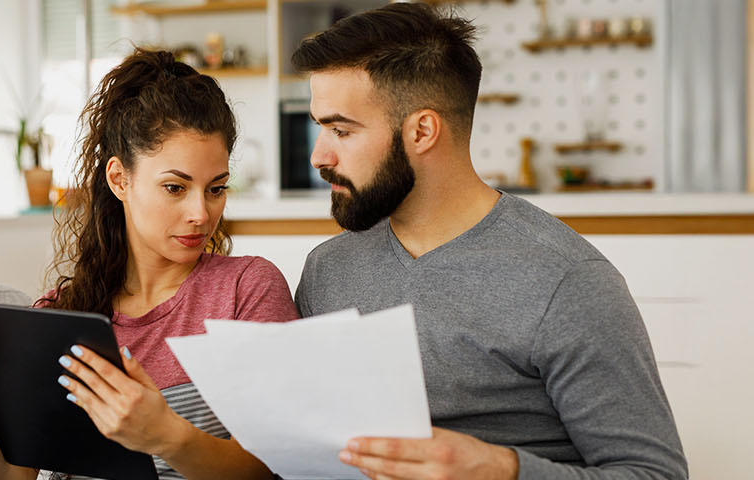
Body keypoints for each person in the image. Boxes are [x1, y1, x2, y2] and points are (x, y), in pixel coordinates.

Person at [289, 4, 689, 479]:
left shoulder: (566, 281)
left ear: (421, 131)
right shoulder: (328, 268)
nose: (319, 156)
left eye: (341, 130)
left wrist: (501, 469)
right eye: (320, 128)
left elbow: (655, 473)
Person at [0, 49, 297, 480]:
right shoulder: (61, 314)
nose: (201, 213)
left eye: (216, 189)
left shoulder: (246, 289)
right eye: (175, 187)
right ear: (119, 180)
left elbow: (274, 468)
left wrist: (166, 435)